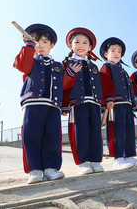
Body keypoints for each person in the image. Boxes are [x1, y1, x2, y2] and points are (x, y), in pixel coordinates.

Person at [13, 23, 65, 184]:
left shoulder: (58, 66)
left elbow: (64, 84)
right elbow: (20, 65)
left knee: (53, 137)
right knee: (31, 135)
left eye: (44, 42)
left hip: (53, 105)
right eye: (36, 42)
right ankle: (34, 170)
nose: (40, 46)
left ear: (52, 45)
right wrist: (29, 47)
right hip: (33, 103)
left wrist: (63, 104)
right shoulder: (30, 59)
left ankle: (51, 168)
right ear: (30, 43)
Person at [62, 27, 104, 175]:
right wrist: (63, 105)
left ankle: (95, 161)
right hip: (77, 103)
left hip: (94, 103)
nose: (81, 45)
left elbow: (99, 85)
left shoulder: (93, 66)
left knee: (95, 132)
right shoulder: (67, 64)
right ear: (70, 45)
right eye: (77, 42)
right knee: (80, 132)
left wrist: (102, 104)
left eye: (85, 43)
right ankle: (83, 162)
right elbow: (63, 86)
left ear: (90, 47)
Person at [99, 37, 137, 169]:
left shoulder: (123, 70)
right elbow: (105, 83)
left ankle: (129, 156)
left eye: (119, 51)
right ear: (106, 54)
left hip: (127, 105)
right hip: (115, 104)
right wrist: (108, 99)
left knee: (129, 130)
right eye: (113, 50)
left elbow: (131, 89)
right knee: (116, 131)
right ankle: (118, 159)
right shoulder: (106, 66)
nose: (116, 53)